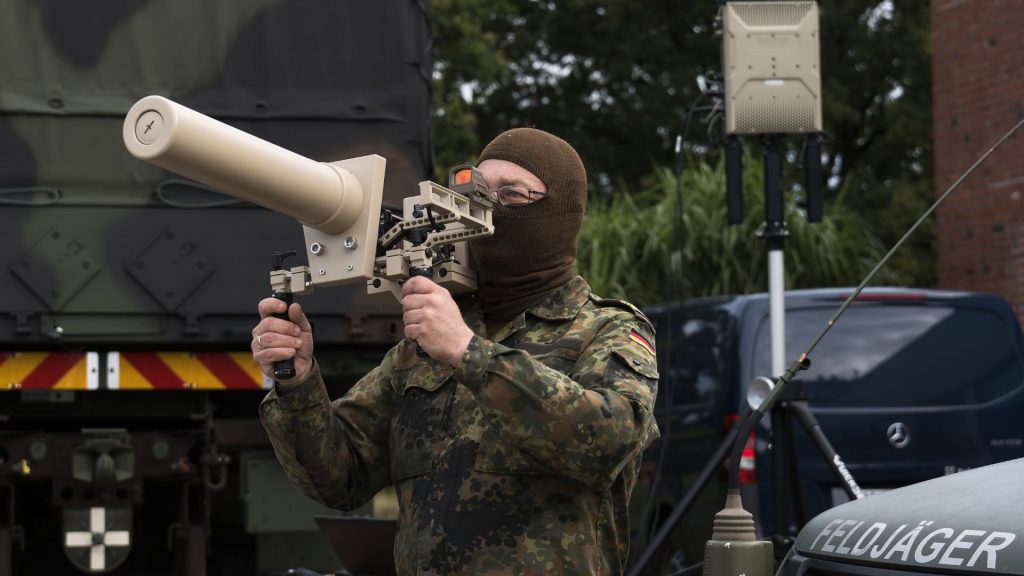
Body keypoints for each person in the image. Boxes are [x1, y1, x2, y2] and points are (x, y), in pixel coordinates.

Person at [252, 128, 660, 575]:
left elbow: (607, 442)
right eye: (478, 193)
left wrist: (469, 353)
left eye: (511, 195)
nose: (486, 210)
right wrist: (298, 382)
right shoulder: (425, 346)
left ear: (559, 213)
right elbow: (339, 478)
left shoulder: (607, 328)